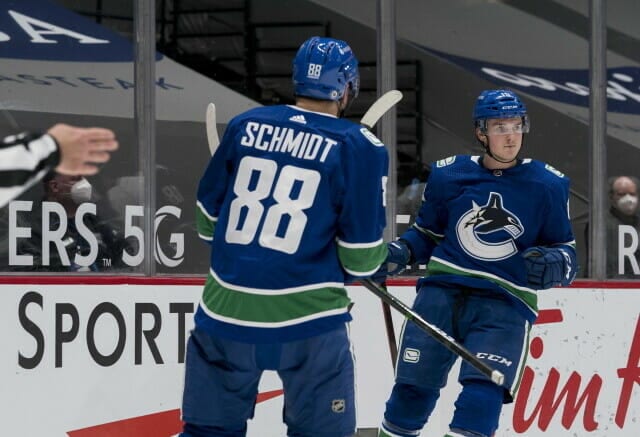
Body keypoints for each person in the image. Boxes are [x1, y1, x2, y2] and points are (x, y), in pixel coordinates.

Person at [180, 36, 388, 437]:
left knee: (207, 432)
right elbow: (362, 258)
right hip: (309, 321)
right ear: (347, 88)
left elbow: (207, 222)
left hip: (224, 312)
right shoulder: (359, 146)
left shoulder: (244, 125)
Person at [374, 89, 578, 437]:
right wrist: (400, 253)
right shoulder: (449, 175)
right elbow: (426, 235)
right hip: (440, 297)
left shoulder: (547, 184)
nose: (511, 136)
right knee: (410, 395)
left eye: (516, 126)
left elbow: (567, 250)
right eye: (500, 127)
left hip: (504, 305)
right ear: (481, 132)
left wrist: (555, 262)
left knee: (482, 399)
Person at [12, 171, 130, 272]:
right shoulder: (35, 229)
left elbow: (123, 254)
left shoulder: (93, 220)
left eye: (84, 178)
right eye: (76, 179)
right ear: (55, 186)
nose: (85, 184)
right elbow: (30, 272)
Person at [0, 123, 118, 208]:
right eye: (74, 177)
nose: (82, 180)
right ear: (54, 185)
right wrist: (49, 147)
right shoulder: (32, 219)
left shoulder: (94, 217)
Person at [605, 175, 640, 277]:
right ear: (611, 197)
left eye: (632, 194)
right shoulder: (602, 226)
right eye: (621, 194)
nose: (628, 199)